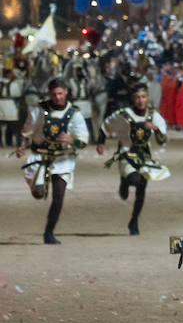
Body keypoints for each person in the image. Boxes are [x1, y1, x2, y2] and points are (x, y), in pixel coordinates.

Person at [19, 77, 89, 245]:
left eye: (60, 93)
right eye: (54, 94)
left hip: (63, 159)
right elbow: (27, 131)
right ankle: (37, 186)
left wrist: (72, 140)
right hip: (40, 157)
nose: (57, 97)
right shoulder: (39, 111)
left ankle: (48, 233)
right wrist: (22, 145)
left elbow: (83, 141)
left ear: (66, 92)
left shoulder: (75, 113)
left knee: (58, 197)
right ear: (49, 94)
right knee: (38, 194)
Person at [102, 82, 169, 236]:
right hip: (126, 154)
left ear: (148, 98)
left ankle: (134, 220)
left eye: (143, 97)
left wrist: (156, 129)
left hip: (144, 156)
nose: (141, 100)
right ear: (133, 99)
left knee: (142, 189)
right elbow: (106, 125)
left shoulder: (154, 116)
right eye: (137, 97)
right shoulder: (125, 114)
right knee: (136, 180)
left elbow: (163, 141)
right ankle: (124, 181)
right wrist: (100, 141)